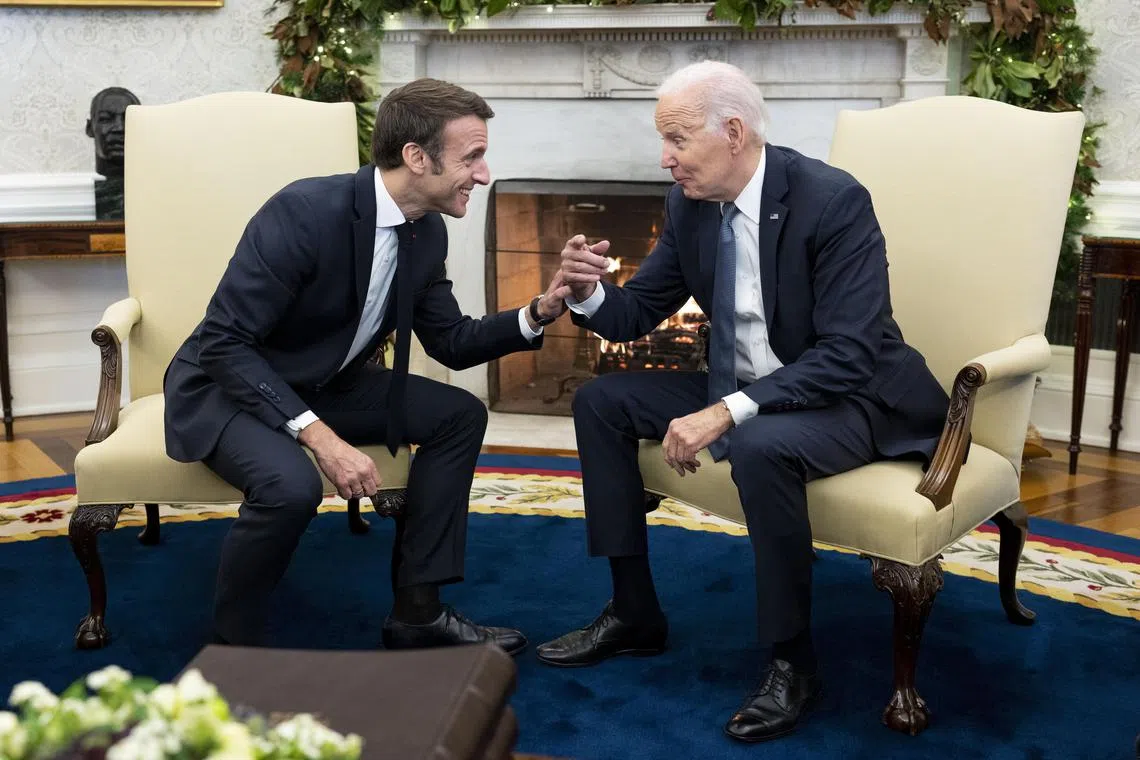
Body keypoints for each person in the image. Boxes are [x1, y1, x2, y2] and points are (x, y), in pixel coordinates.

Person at [536, 61, 951, 742]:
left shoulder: (833, 200)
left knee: (758, 443)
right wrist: (587, 293)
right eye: (662, 141)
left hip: (851, 398)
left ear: (733, 131)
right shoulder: (688, 205)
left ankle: (793, 660)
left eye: (676, 139)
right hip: (745, 384)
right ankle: (635, 612)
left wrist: (729, 410)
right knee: (602, 402)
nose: (665, 158)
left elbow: (848, 354)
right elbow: (638, 312)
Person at [163, 78, 570, 652]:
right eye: (472, 157)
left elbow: (450, 341)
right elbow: (225, 344)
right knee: (290, 486)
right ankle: (235, 650)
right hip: (228, 386)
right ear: (416, 157)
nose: (483, 174)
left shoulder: (426, 231)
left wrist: (539, 310)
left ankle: (418, 613)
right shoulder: (304, 211)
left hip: (325, 382)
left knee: (459, 415)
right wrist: (324, 440)